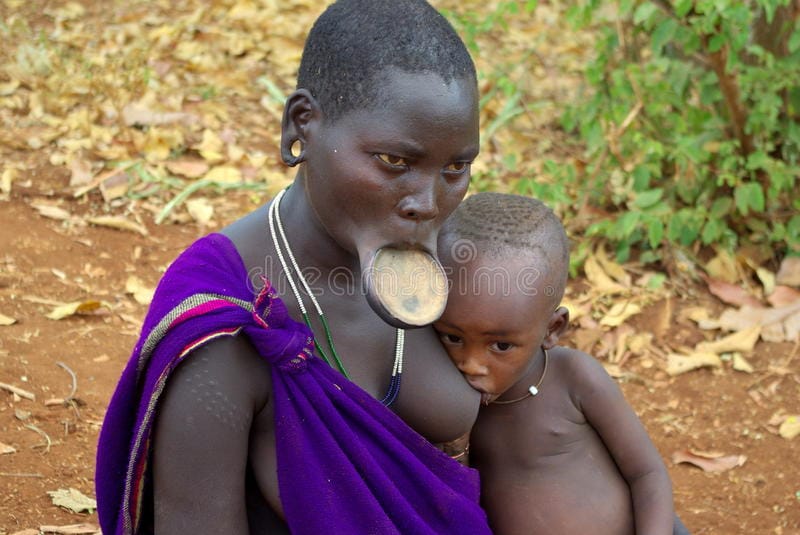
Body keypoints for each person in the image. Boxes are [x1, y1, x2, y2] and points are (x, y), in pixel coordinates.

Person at [95, 1, 493, 533]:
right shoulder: (228, 326)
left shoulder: (456, 268)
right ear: (301, 123)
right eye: (395, 162)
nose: (427, 202)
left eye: (456, 167)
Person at [433, 192, 688, 535]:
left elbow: (647, 474)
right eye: (452, 337)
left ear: (552, 330)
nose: (471, 364)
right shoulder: (441, 398)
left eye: (501, 346)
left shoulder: (574, 378)